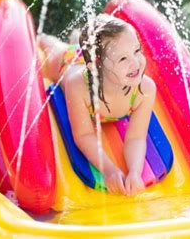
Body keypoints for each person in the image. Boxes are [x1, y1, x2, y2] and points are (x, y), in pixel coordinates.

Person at [38, 14, 156, 196]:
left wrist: (134, 171)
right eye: (123, 59)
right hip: (69, 62)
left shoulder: (144, 89)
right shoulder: (78, 87)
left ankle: (77, 38)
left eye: (137, 51)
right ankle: (46, 39)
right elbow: (84, 136)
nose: (135, 63)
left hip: (94, 60)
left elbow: (136, 138)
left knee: (84, 46)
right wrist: (109, 170)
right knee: (53, 50)